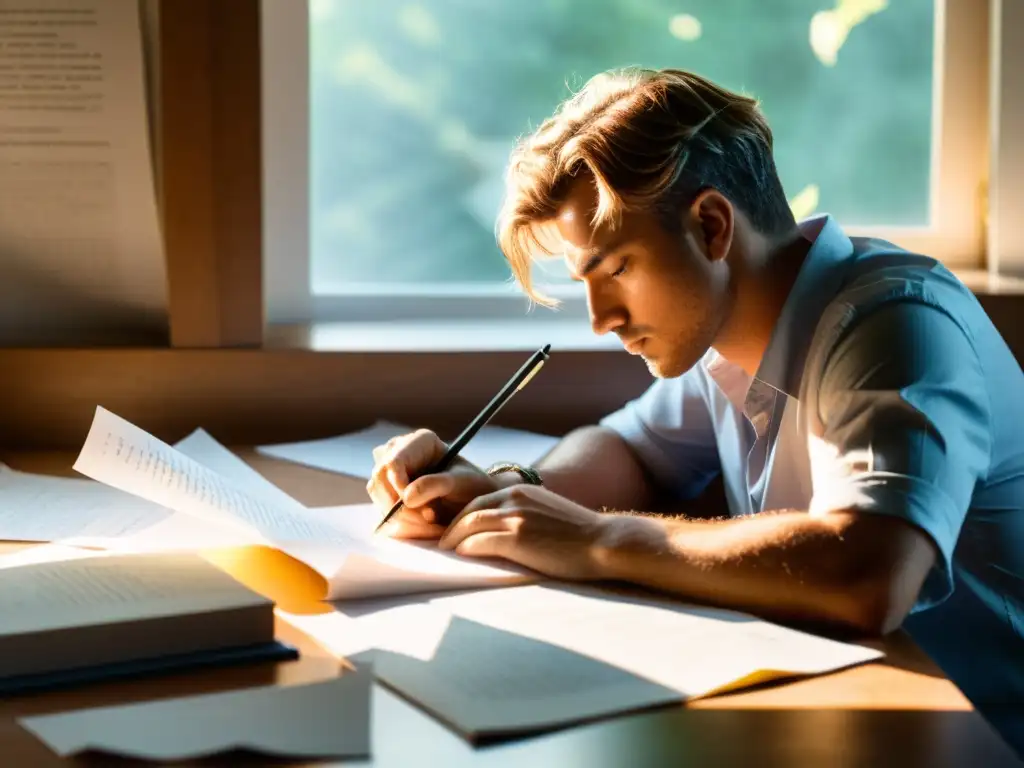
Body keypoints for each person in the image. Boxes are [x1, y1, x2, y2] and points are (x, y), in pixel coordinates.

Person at [366, 68, 1024, 752]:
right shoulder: (725, 332)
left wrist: (597, 539)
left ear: (711, 226)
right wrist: (506, 493)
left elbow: (869, 575)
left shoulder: (897, 327)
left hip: (979, 738)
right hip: (862, 718)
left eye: (617, 269)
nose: (601, 320)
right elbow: (630, 448)